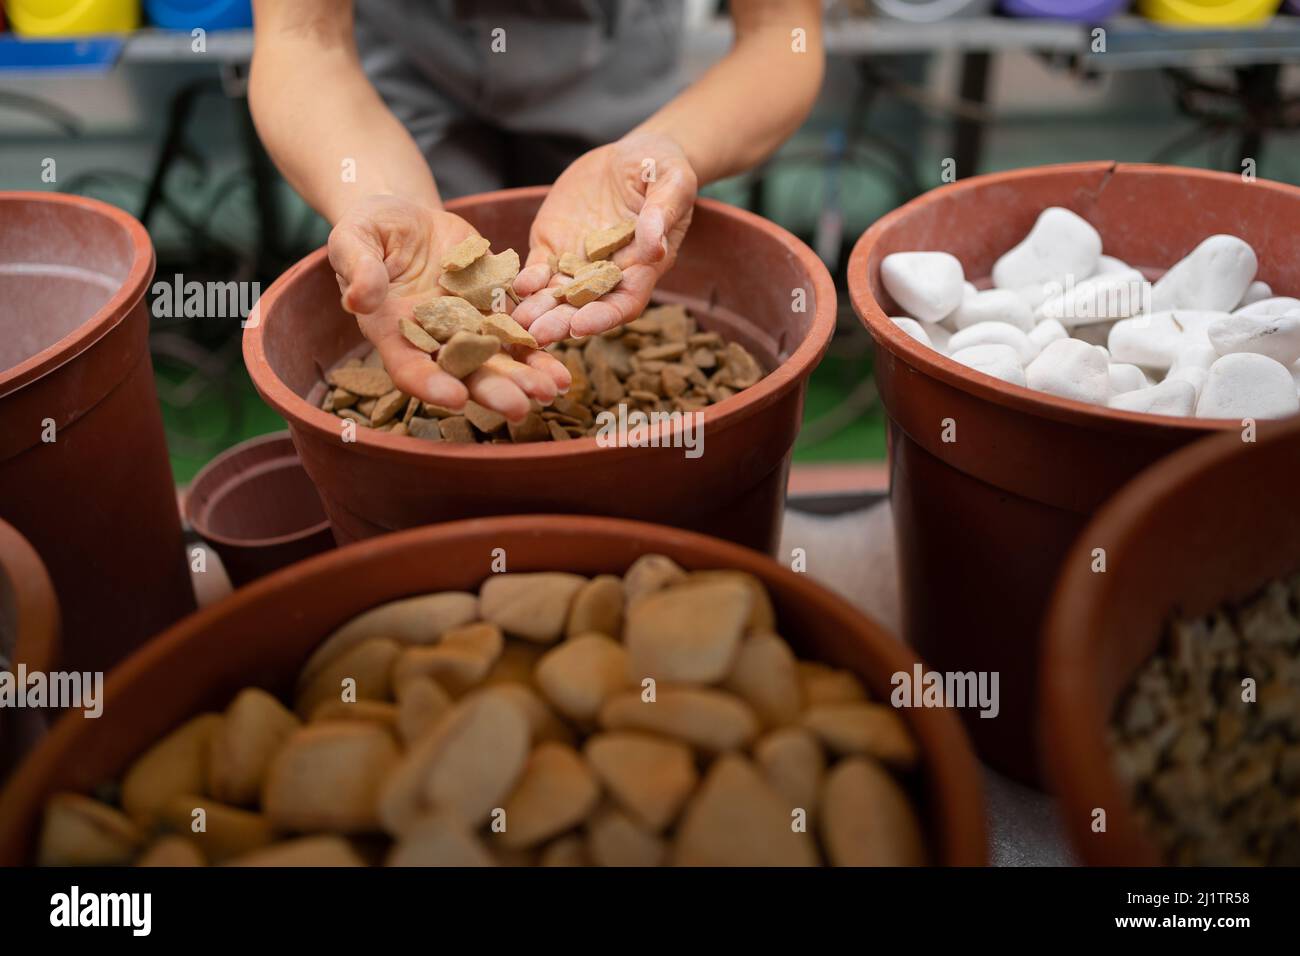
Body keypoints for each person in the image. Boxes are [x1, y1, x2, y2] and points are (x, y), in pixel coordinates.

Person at [249, 0, 824, 421]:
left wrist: (669, 148)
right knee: (426, 309)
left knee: (635, 245)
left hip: (613, 55)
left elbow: (781, 32)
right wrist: (375, 195)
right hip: (406, 64)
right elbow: (303, 35)